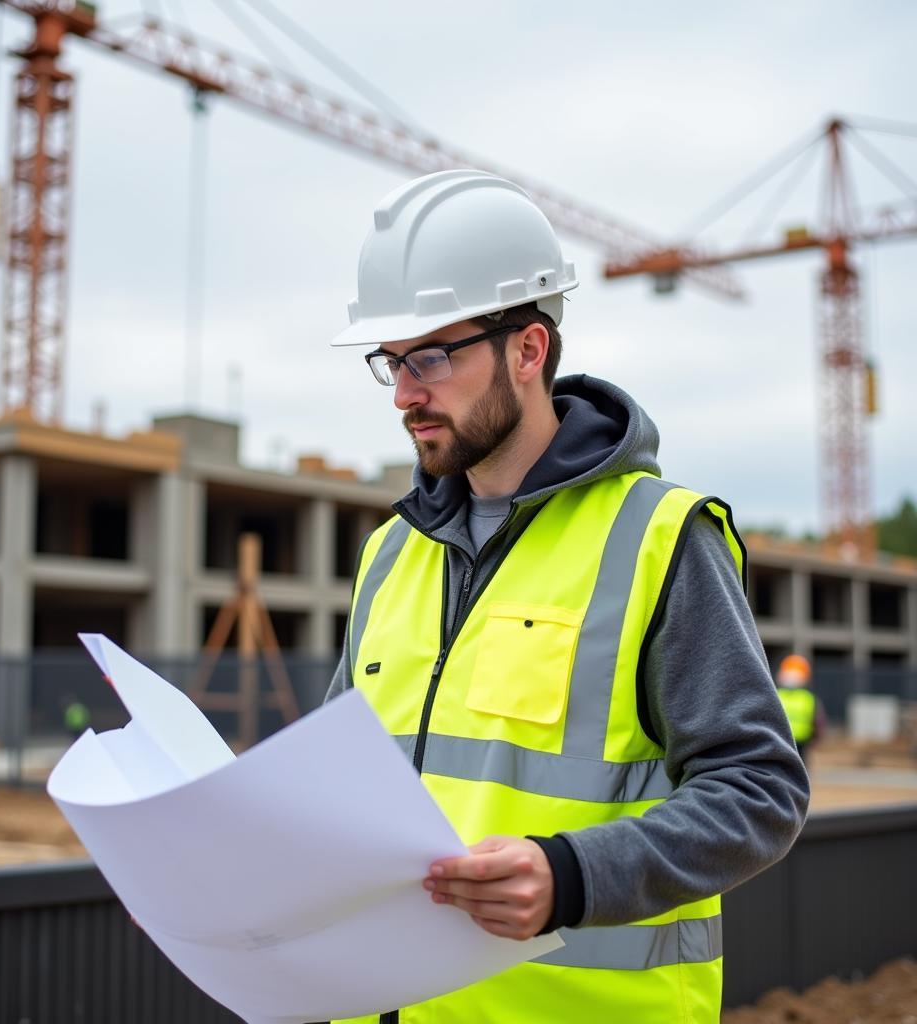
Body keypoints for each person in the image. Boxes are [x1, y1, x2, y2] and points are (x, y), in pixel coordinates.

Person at [324, 170, 809, 1024]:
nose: (404, 394)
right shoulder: (389, 553)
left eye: (431, 356)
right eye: (390, 362)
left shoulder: (658, 538)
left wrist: (573, 874)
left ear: (528, 349)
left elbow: (759, 788)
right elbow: (334, 785)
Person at [775, 653, 825, 766]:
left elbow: (817, 721)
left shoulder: (777, 695)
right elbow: (818, 722)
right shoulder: (808, 698)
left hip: (797, 742)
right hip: (783, 741)